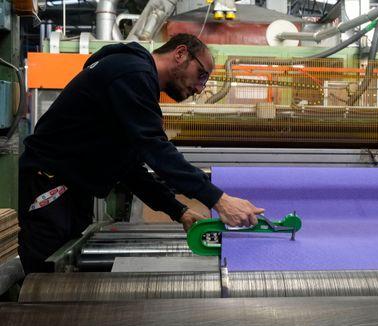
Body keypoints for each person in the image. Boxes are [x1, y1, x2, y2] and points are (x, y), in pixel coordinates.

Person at [18, 33, 264, 274]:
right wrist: (219, 200)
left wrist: (179, 210)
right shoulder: (132, 73)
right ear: (180, 54)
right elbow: (155, 148)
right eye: (201, 75)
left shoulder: (132, 77)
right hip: (50, 186)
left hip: (68, 192)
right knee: (41, 280)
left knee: (58, 275)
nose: (200, 89)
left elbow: (129, 167)